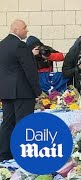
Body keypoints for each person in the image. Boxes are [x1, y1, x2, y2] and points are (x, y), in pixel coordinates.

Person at [0, 20, 42, 161]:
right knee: (23, 124)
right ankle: (22, 155)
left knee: (7, 123)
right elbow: (30, 71)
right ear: (16, 29)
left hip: (6, 92)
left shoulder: (2, 45)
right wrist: (37, 91)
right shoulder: (20, 46)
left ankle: (4, 154)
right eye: (24, 28)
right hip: (23, 92)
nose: (27, 30)